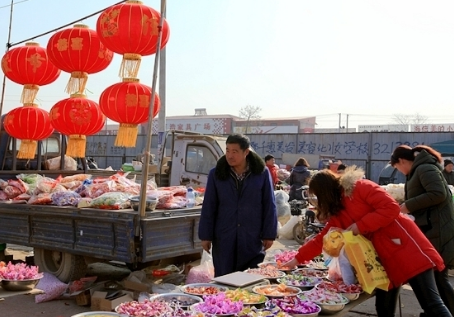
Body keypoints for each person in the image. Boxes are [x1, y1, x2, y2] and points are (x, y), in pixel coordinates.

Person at [283, 167, 451, 317]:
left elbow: (391, 208)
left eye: (318, 196)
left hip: (406, 247)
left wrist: (358, 226)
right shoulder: (338, 211)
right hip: (382, 260)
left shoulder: (360, 188)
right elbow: (323, 239)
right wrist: (296, 260)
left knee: (431, 304)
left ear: (326, 191)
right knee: (384, 307)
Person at [198, 134, 278, 277]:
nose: (230, 155)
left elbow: (269, 204)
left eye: (235, 151)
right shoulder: (216, 174)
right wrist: (205, 235)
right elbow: (209, 206)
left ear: (246, 152)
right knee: (224, 278)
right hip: (224, 236)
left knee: (249, 278)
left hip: (251, 236)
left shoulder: (261, 173)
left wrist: (269, 234)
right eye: (227, 150)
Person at [390, 145, 454, 315]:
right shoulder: (419, 169)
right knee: (437, 278)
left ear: (402, 161)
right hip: (432, 228)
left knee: (439, 277)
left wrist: (407, 206)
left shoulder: (424, 168)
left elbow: (438, 193)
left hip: (438, 229)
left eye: (397, 167)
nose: (400, 172)